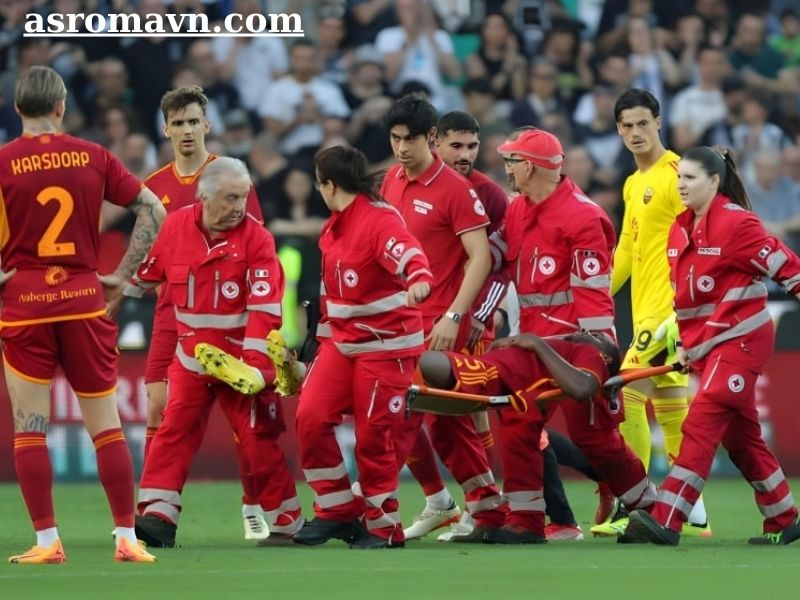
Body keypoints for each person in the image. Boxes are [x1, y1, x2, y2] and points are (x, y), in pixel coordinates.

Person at [0, 66, 164, 564]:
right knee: (107, 425)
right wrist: (122, 274)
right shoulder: (93, 155)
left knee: (31, 428)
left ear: (17, 108)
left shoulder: (4, 161)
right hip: (83, 295)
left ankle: (48, 542)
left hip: (23, 301)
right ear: (61, 106)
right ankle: (126, 538)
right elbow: (153, 209)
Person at [622, 146, 800, 546]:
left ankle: (666, 517)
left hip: (742, 340)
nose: (680, 185)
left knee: (700, 423)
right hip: (707, 346)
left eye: (690, 178)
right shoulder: (678, 228)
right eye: (678, 177)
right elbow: (683, 299)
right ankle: (784, 516)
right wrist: (685, 345)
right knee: (741, 437)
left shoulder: (738, 225)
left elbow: (791, 271)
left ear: (715, 182)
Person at [142, 85, 293, 542]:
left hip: (233, 323)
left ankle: (254, 504)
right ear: (166, 129)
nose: (187, 130)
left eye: (194, 121)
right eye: (179, 123)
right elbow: (148, 263)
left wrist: (257, 349)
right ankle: (155, 512)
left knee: (247, 426)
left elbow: (256, 250)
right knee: (161, 410)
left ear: (206, 125)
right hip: (176, 318)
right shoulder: (153, 188)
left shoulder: (230, 178)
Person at [290, 146, 433, 549]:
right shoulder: (334, 227)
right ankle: (337, 511)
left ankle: (384, 527)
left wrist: (418, 278)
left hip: (387, 345)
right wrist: (314, 349)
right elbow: (330, 297)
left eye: (319, 184)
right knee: (310, 416)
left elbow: (408, 253)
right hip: (342, 341)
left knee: (374, 436)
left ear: (329, 185)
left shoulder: (378, 220)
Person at [380, 96, 506, 536]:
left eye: (410, 139)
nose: (401, 148)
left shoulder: (457, 189)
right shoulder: (392, 181)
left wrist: (454, 315)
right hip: (400, 319)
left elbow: (482, 259)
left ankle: (380, 504)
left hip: (442, 321)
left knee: (428, 415)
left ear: (430, 138)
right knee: (437, 418)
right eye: (395, 139)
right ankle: (473, 502)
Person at [593, 89, 711, 537]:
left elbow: (698, 240)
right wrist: (600, 296)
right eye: (627, 125)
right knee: (672, 410)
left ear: (659, 122)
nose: (635, 132)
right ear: (618, 130)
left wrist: (685, 312)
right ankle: (694, 508)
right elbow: (626, 246)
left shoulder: (675, 175)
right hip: (645, 311)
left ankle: (633, 501)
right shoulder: (632, 182)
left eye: (643, 123)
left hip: (668, 311)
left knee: (627, 396)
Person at [490, 128, 617, 541]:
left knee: (589, 435)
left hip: (567, 344)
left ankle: (635, 497)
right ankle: (546, 519)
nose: (505, 168)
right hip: (527, 333)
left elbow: (593, 294)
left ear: (528, 166)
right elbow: (498, 262)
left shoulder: (579, 216)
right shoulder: (518, 208)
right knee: (523, 422)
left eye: (511, 161)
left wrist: (600, 351)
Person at [417, 331, 657, 543]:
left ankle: (527, 522)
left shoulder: (585, 353)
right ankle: (523, 521)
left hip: (492, 373)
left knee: (426, 362)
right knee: (518, 429)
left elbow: (583, 388)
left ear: (603, 357)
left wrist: (537, 344)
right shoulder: (559, 347)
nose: (586, 331)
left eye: (598, 337)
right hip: (496, 373)